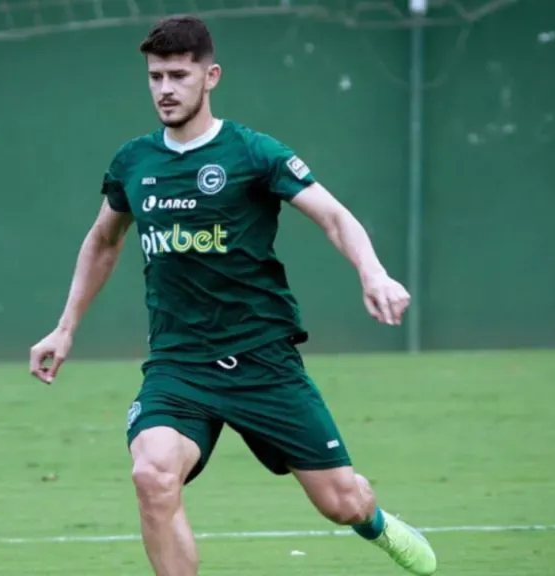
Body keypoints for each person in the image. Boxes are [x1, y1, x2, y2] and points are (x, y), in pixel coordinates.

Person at [28, 15, 438, 576]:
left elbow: (335, 217)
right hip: (180, 364)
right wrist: (66, 325)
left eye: (178, 74)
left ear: (210, 75)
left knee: (341, 502)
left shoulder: (252, 152)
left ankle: (377, 523)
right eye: (155, 76)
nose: (165, 89)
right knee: (152, 473)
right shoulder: (134, 162)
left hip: (263, 362)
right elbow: (103, 240)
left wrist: (374, 272)